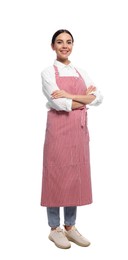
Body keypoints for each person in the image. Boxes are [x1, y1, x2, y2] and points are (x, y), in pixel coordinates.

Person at [40, 29, 103, 249]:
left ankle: (70, 226)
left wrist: (71, 95)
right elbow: (59, 104)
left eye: (68, 42)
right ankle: (55, 229)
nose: (64, 46)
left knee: (74, 176)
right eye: (59, 42)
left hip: (77, 131)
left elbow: (99, 97)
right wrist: (82, 100)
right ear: (52, 46)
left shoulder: (81, 71)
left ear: (73, 45)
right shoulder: (48, 73)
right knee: (56, 174)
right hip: (58, 130)